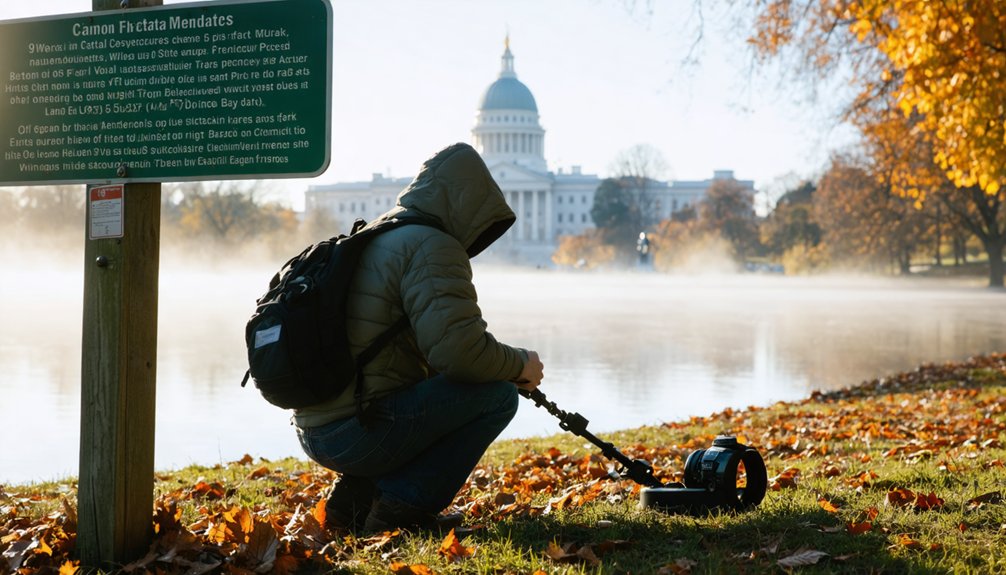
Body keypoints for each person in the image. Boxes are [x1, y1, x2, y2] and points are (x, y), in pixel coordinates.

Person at [294, 142, 545, 533]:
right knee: (496, 395)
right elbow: (459, 352)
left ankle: (351, 507)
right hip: (354, 431)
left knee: (424, 388)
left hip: (316, 427)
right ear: (469, 201)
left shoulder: (380, 232)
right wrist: (519, 364)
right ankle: (402, 509)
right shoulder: (431, 244)